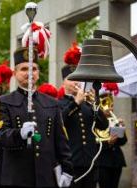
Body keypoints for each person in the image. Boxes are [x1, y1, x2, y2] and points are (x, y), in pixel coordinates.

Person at [0, 47, 73, 187]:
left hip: (46, 177)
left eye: (34, 69)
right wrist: (19, 134)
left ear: (38, 73)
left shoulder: (52, 103)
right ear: (15, 73)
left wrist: (67, 170)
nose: (30, 73)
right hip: (17, 177)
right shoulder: (4, 102)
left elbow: (61, 141)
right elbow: (0, 136)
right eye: (24, 69)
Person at [58, 42, 108, 188]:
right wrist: (75, 103)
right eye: (71, 79)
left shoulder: (87, 104)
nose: (76, 83)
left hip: (91, 162)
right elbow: (60, 121)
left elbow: (103, 125)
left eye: (78, 79)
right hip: (71, 163)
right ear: (63, 83)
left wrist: (95, 104)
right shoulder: (58, 104)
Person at [96, 83, 127, 188]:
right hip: (102, 161)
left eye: (112, 105)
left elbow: (123, 142)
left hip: (116, 160)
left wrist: (121, 129)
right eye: (106, 105)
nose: (110, 108)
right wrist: (108, 142)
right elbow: (95, 142)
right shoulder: (96, 122)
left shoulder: (115, 120)